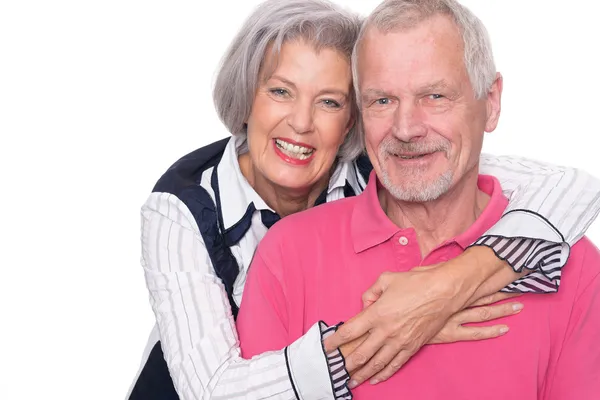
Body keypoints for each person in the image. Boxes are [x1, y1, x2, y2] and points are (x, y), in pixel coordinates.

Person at [128, 0, 600, 399]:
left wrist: (448, 286)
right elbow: (213, 391)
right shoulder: (183, 210)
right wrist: (393, 328)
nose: (301, 122)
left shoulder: (387, 162)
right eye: (279, 91)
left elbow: (571, 187)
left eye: (330, 102)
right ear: (246, 96)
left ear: (351, 119)